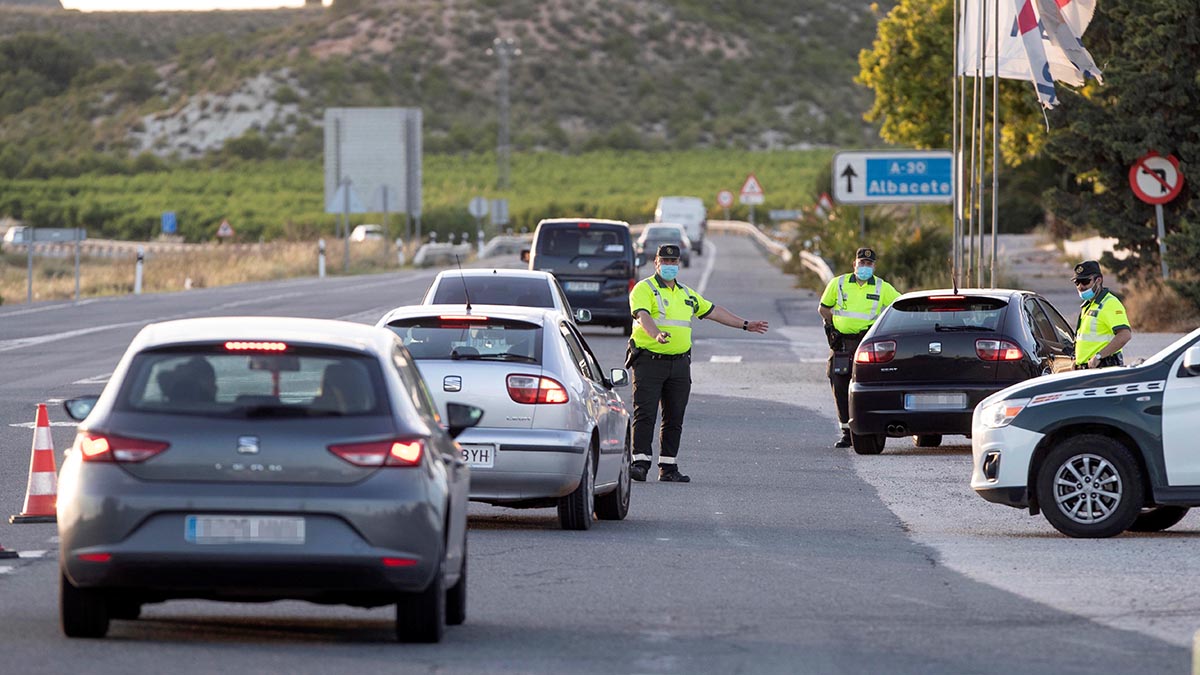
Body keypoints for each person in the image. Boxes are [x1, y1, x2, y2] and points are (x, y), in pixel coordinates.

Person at [627, 244, 769, 483]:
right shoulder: (644, 289)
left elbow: (713, 311)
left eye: (674, 262)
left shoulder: (686, 294)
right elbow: (643, 317)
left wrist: (745, 324)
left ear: (678, 264)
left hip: (680, 364)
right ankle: (640, 463)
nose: (670, 266)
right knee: (646, 414)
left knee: (674, 417)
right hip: (650, 361)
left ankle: (668, 467)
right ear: (656, 263)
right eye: (666, 261)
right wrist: (656, 335)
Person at [817, 247, 901, 448]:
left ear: (874, 266)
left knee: (869, 386)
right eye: (861, 263)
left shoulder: (882, 287)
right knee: (839, 383)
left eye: (869, 264)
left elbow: (899, 306)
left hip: (867, 343)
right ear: (854, 264)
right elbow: (823, 308)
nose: (865, 267)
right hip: (843, 344)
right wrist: (832, 328)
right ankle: (847, 432)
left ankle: (871, 429)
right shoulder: (839, 283)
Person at [1071, 260, 1132, 369]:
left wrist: (1099, 356)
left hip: (1103, 369)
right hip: (1086, 370)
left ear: (1098, 280)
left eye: (1085, 281)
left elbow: (1124, 335)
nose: (1080, 286)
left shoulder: (1110, 303)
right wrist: (1077, 360)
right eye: (1077, 282)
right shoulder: (1088, 305)